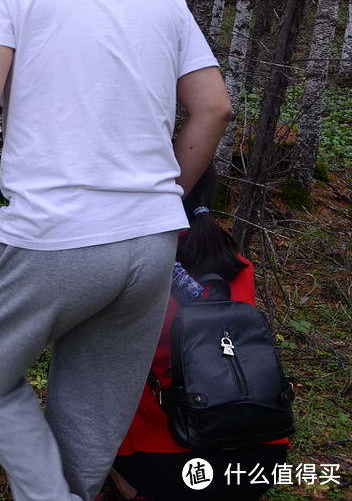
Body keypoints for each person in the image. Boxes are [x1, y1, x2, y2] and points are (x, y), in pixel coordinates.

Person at [0, 0, 233, 500]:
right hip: (150, 243)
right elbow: (214, 107)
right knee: (87, 423)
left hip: (52, 234)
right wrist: (162, 195)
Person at [99, 166, 289, 501]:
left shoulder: (137, 265)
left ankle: (131, 492)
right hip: (263, 455)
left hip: (166, 459)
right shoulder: (240, 265)